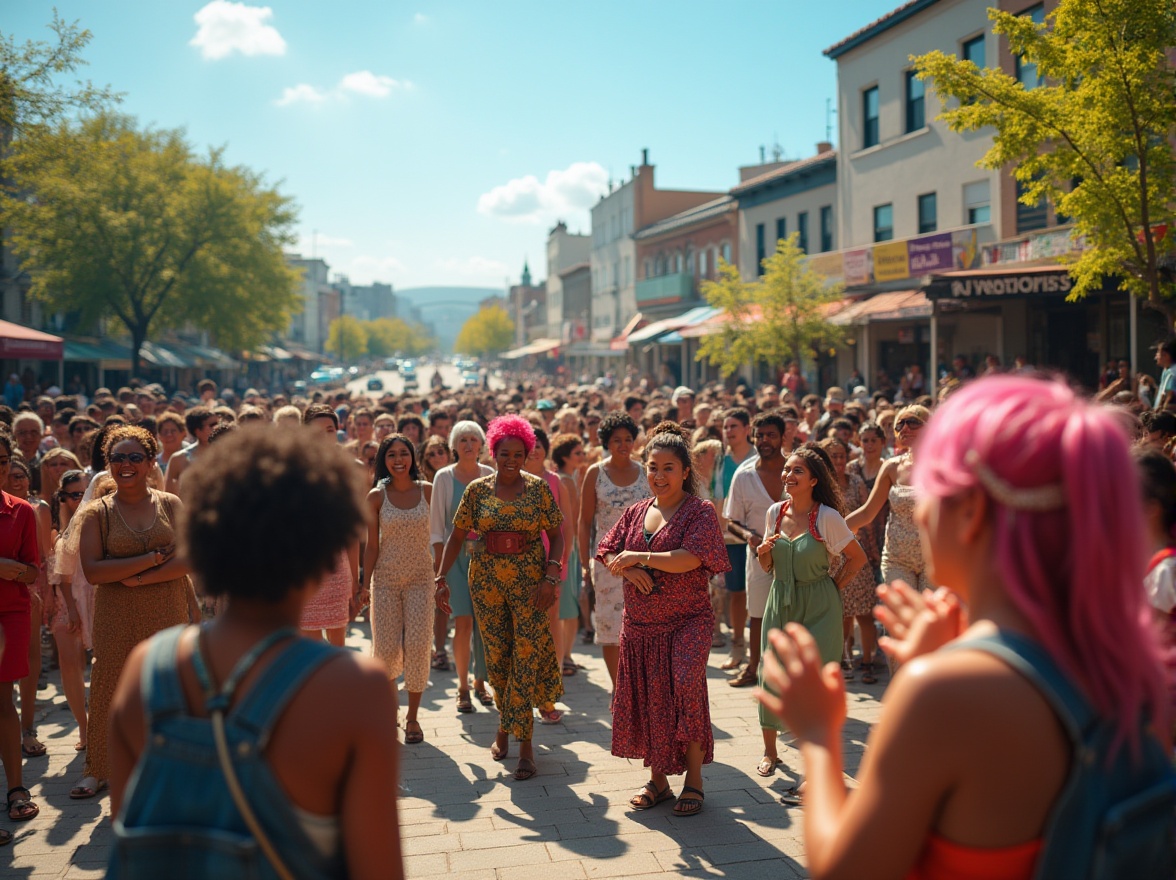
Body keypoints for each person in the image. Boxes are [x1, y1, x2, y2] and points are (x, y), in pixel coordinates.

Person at [756, 375, 1172, 878]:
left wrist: (820, 738)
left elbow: (847, 869)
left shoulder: (946, 691)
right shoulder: (1127, 656)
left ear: (971, 512)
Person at [107, 427, 404, 880]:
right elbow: (378, 868)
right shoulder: (355, 686)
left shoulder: (146, 669)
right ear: (326, 552)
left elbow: (128, 834)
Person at [596, 425, 730, 817]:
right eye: (653, 467)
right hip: (640, 625)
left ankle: (694, 781)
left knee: (685, 685)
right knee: (652, 698)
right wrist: (624, 568)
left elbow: (691, 558)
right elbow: (607, 548)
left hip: (688, 620)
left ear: (685, 471)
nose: (658, 475)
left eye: (668, 468)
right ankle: (658, 781)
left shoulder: (699, 512)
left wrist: (640, 558)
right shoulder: (636, 511)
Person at [434, 415, 564, 781]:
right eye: (504, 453)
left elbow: (558, 534)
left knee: (525, 654)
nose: (511, 459)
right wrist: (440, 576)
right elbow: (457, 537)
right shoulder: (476, 490)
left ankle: (524, 743)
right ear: (493, 453)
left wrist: (551, 576)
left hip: (531, 584)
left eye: (518, 453)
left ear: (527, 455)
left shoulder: (538, 489)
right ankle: (505, 727)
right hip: (486, 580)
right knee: (497, 657)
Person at [72, 425, 193, 800]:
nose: (126, 465)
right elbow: (94, 571)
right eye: (117, 458)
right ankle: (99, 768)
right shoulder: (97, 513)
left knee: (168, 685)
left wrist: (140, 576)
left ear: (151, 461)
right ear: (107, 464)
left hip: (168, 608)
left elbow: (189, 558)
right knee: (110, 685)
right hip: (115, 612)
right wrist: (153, 559)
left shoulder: (171, 503)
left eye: (135, 457)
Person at [754, 446, 865, 786]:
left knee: (815, 683)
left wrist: (833, 586)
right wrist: (762, 555)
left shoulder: (827, 517)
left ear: (814, 480)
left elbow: (856, 558)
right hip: (780, 600)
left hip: (820, 606)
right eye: (787, 470)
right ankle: (770, 751)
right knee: (770, 672)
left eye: (797, 471)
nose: (788, 476)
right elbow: (769, 566)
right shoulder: (775, 512)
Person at [362, 435, 434, 745]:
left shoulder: (428, 491)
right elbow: (371, 546)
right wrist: (363, 587)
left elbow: (441, 537)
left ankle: (413, 718)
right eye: (392, 454)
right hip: (386, 581)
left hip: (421, 578)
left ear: (413, 458)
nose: (399, 459)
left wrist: (441, 577)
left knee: (418, 646)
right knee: (386, 650)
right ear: (384, 460)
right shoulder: (376, 497)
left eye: (404, 453)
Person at [578, 412, 649, 686]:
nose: (623, 445)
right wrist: (586, 563)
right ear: (606, 442)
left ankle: (637, 687)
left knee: (641, 627)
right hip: (607, 563)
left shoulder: (645, 472)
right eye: (616, 440)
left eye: (628, 439)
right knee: (609, 627)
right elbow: (584, 522)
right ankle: (618, 689)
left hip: (643, 561)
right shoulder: (595, 473)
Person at [428, 421, 493, 711]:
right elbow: (438, 529)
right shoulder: (443, 477)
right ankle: (463, 686)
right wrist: (441, 570)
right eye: (462, 439)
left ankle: (482, 682)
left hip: (488, 560)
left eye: (473, 439)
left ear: (481, 445)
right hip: (453, 561)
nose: (468, 444)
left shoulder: (491, 475)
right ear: (454, 446)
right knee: (464, 621)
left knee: (485, 623)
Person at [724, 412, 788, 688]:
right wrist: (750, 537)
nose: (764, 440)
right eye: (760, 435)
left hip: (797, 556)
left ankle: (793, 674)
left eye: (771, 435)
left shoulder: (797, 468)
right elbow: (731, 520)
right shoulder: (744, 475)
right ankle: (754, 667)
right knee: (758, 613)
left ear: (783, 437)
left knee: (795, 613)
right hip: (758, 556)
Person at [0, 432, 41, 838]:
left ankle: (15, 789)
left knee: (3, 698)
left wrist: (13, 570)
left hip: (10, 613)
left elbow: (33, 571)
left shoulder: (22, 511)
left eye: (0, 461)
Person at [846, 405, 932, 594]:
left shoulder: (945, 464)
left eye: (913, 422)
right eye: (900, 424)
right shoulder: (891, 467)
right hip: (897, 560)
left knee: (930, 619)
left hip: (935, 559)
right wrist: (832, 530)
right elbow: (868, 512)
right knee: (899, 621)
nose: (905, 428)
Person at [821, 438, 881, 684]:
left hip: (858, 553)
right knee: (842, 613)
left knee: (865, 613)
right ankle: (843, 659)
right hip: (834, 556)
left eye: (841, 455)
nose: (838, 460)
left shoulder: (856, 482)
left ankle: (867, 662)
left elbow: (869, 518)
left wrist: (874, 551)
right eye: (832, 456)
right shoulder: (821, 487)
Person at [301, 406, 361, 646]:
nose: (324, 436)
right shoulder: (291, 470)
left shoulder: (347, 471)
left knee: (337, 646)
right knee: (310, 650)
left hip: (337, 567)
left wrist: (355, 578)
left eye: (329, 430)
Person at [7, 458, 51, 761]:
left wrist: (45, 591)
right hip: (16, 586)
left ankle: (27, 728)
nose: (14, 480)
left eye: (20, 475)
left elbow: (43, 558)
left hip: (29, 589)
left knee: (29, 660)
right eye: (10, 476)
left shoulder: (34, 508)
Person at [47, 469, 90, 752]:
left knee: (100, 666)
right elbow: (56, 572)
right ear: (62, 498)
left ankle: (101, 725)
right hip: (66, 601)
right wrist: (70, 609)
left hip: (97, 597)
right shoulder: (56, 527)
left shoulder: (102, 516)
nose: (80, 499)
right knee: (69, 665)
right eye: (73, 495)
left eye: (83, 493)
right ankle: (84, 729)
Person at [550, 432, 586, 676]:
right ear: (565, 457)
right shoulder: (567, 481)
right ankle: (567, 655)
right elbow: (574, 516)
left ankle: (564, 654)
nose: (582, 456)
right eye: (577, 453)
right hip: (567, 548)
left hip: (561, 546)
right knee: (569, 606)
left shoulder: (564, 478)